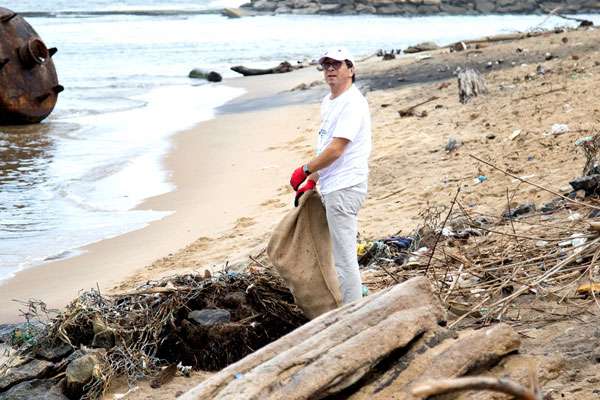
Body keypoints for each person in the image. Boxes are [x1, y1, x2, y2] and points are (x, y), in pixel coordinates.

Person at [289, 46, 372, 304]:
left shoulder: (353, 103)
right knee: (336, 254)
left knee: (344, 258)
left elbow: (336, 149)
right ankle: (345, 306)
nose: (330, 70)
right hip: (331, 185)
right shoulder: (329, 101)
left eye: (336, 64)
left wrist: (305, 170)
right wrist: (312, 181)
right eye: (326, 65)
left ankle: (353, 313)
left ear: (351, 69)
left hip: (346, 187)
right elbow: (325, 145)